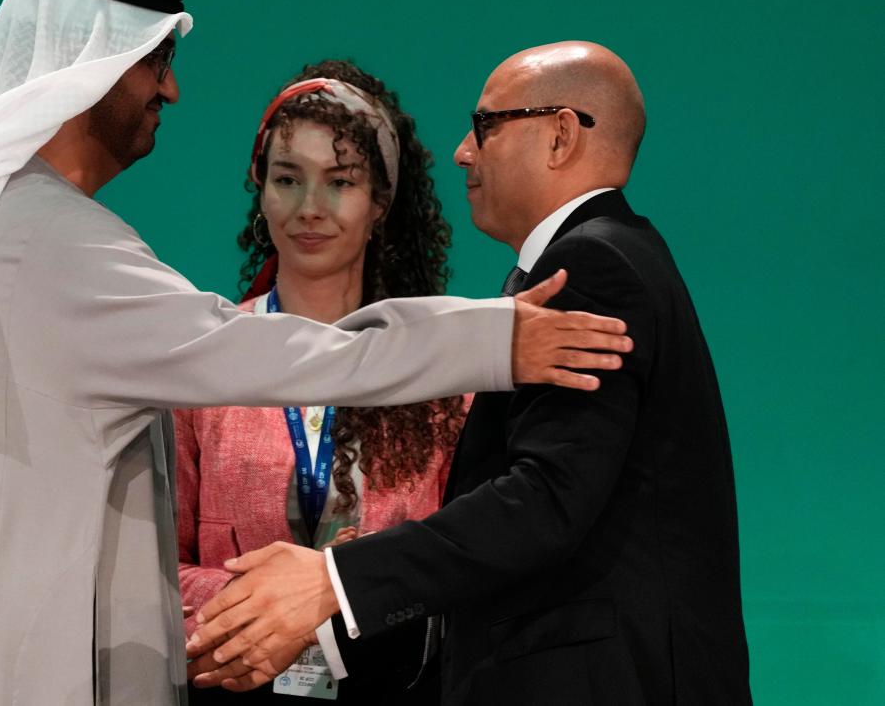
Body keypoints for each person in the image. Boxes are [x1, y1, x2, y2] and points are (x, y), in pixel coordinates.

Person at [0, 0, 631, 706]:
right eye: (155, 63)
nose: (169, 90)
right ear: (98, 70)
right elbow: (258, 347)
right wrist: (494, 337)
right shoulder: (49, 242)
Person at [188, 41, 752, 705]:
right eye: (286, 177)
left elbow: (545, 498)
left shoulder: (592, 269)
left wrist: (330, 583)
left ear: (561, 135)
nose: (462, 150)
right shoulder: (603, 259)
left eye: (485, 126)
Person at [176, 60, 466, 703]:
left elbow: (466, 565)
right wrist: (269, 603)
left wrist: (341, 590)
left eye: (340, 182)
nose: (310, 209)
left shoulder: (444, 379)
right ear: (260, 188)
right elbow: (153, 568)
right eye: (287, 179)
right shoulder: (200, 364)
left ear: (380, 202)